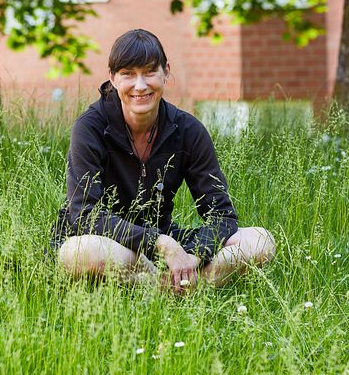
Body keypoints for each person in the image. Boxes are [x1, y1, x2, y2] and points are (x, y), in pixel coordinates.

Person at [51, 29, 275, 293]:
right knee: (76, 252)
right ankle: (174, 288)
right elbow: (85, 215)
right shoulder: (90, 127)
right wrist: (159, 243)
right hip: (110, 245)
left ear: (166, 72)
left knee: (261, 241)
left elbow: (222, 215)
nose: (140, 85)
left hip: (164, 242)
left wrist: (194, 255)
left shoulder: (188, 130)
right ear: (112, 78)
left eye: (149, 72)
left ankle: (176, 283)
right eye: (128, 74)